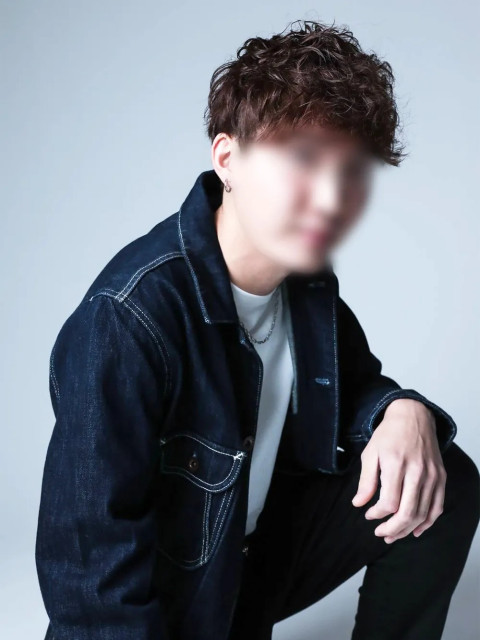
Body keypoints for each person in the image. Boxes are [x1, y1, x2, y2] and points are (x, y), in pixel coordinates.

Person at [35, 18, 479, 640]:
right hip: (166, 611)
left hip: (247, 575)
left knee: (442, 477)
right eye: (303, 159)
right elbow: (89, 567)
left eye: (352, 170)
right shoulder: (129, 318)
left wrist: (403, 410)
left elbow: (355, 390)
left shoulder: (306, 286)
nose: (331, 198)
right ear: (227, 159)